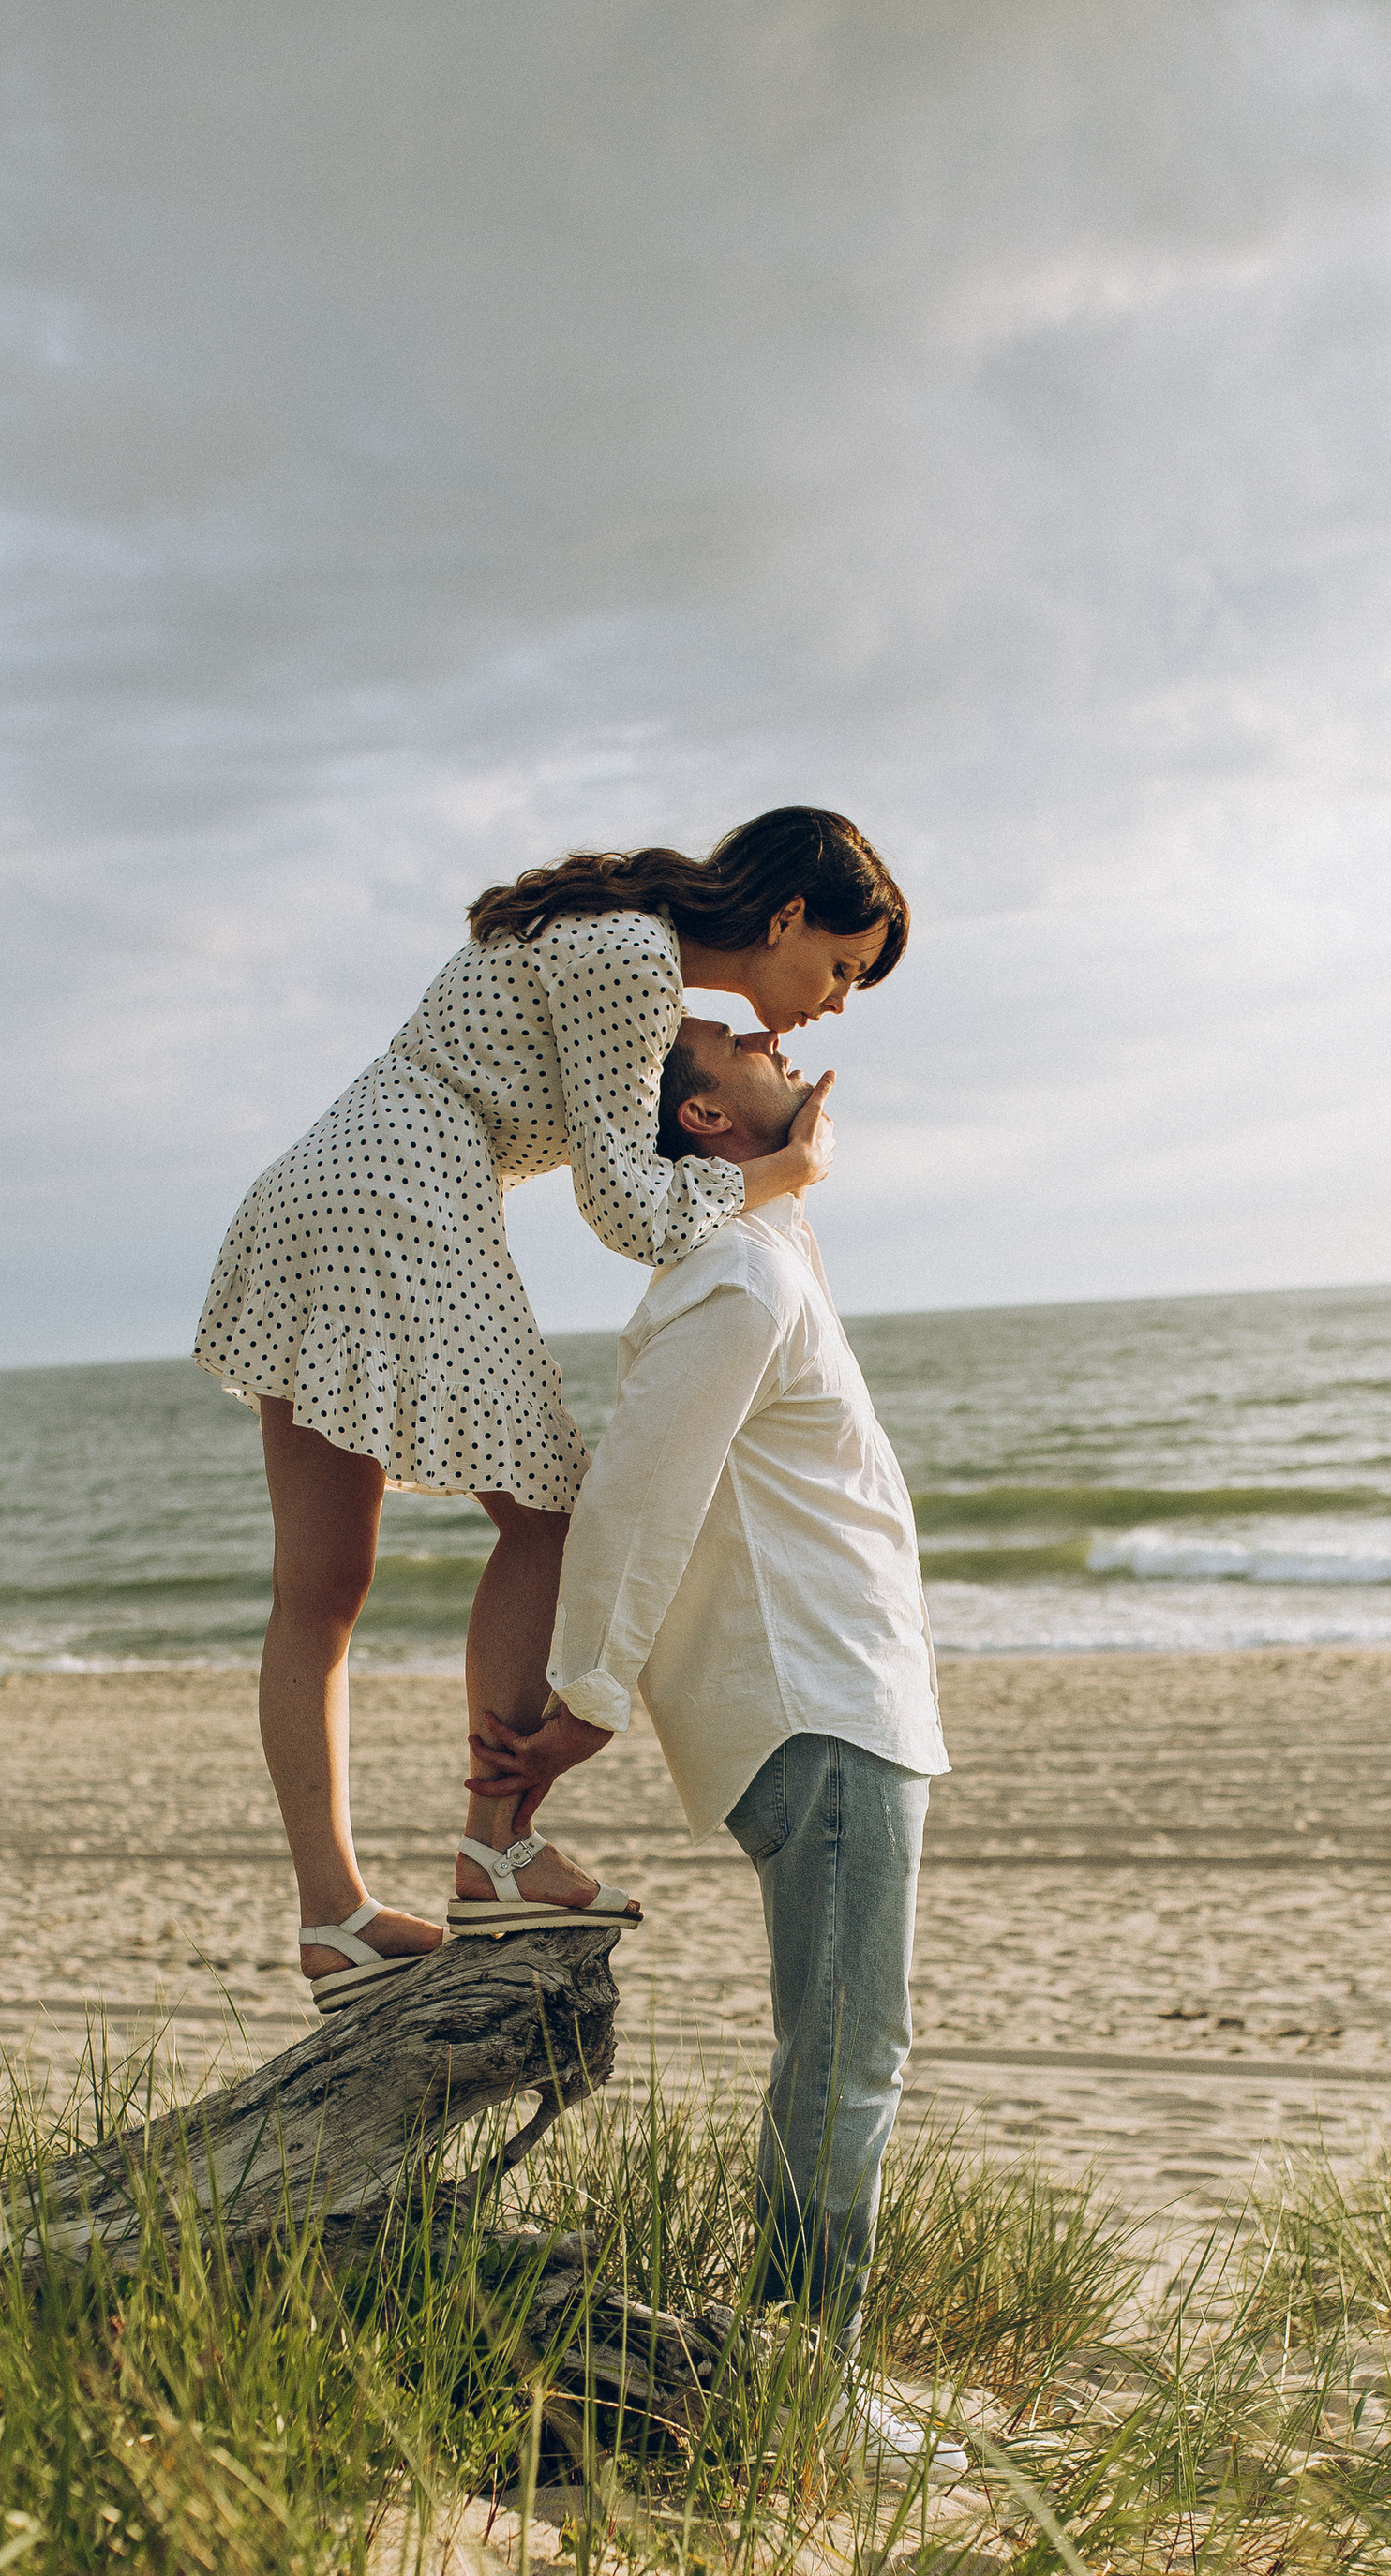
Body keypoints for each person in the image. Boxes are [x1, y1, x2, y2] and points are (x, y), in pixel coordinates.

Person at [192, 808, 908, 2009]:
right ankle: (496, 1849)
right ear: (785, 916)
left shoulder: (620, 940)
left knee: (319, 1586)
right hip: (401, 1194)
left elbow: (632, 1165)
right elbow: (628, 1213)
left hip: (325, 1181)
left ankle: (334, 1918)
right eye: (841, 966)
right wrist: (784, 1171)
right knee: (548, 1517)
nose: (837, 1002)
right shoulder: (635, 956)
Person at [466, 1017, 963, 2480]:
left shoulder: (764, 1246)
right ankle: (809, 2385)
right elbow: (637, 1488)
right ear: (704, 1116)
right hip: (817, 1704)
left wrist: (796, 1160)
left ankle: (809, 2362)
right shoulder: (736, 1275)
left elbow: (770, 1205)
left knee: (849, 2047)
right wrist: (588, 1692)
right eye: (737, 1041)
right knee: (846, 2054)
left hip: (846, 1699)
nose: (774, 1032)